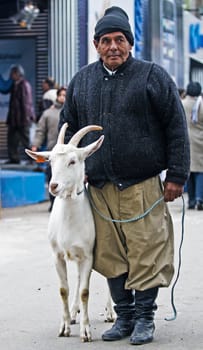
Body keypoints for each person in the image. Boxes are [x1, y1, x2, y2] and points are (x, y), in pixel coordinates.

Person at [59, 6, 190, 345]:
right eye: (106, 40)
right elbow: (68, 130)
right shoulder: (82, 81)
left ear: (130, 43)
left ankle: (145, 318)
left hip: (142, 185)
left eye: (120, 40)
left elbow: (176, 127)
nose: (113, 46)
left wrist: (176, 174)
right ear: (95, 44)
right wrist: (67, 173)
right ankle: (125, 316)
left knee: (146, 251)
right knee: (110, 254)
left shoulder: (152, 76)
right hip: (99, 188)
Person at [32, 86, 67, 211]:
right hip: (53, 152)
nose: (63, 97)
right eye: (61, 95)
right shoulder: (48, 113)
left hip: (67, 153)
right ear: (57, 96)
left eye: (65, 95)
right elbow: (40, 130)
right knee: (52, 177)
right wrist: (36, 144)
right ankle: (53, 204)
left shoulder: (71, 112)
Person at [5, 64, 35, 164]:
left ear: (17, 74)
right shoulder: (15, 85)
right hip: (14, 119)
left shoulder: (24, 85)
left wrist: (27, 118)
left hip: (23, 119)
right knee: (12, 140)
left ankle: (31, 159)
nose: (11, 75)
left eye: (12, 73)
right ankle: (14, 158)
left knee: (26, 140)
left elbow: (27, 103)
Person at [181, 81, 203, 210]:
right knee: (200, 170)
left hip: (185, 139)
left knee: (188, 170)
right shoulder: (201, 104)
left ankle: (191, 200)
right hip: (200, 140)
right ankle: (200, 198)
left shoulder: (182, 104)